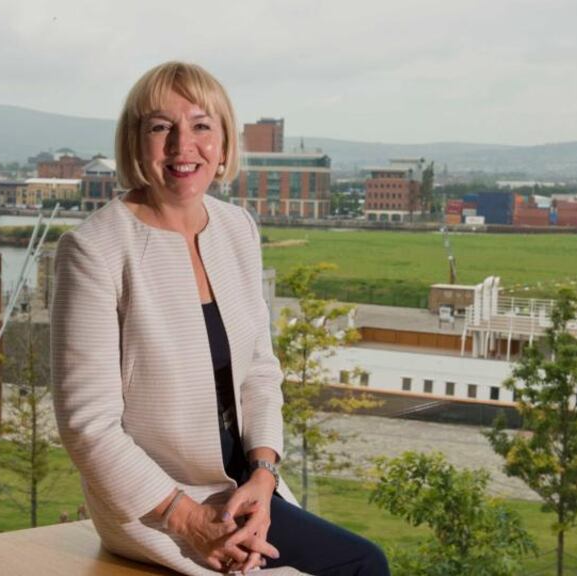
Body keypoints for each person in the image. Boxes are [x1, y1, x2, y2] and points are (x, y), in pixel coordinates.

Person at [50, 61, 389, 576]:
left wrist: (264, 474)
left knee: (352, 561)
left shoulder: (236, 228)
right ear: (134, 143)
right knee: (360, 566)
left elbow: (259, 369)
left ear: (224, 144)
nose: (182, 145)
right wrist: (187, 520)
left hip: (241, 489)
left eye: (201, 126)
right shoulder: (94, 250)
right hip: (156, 504)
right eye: (161, 127)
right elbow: (88, 427)